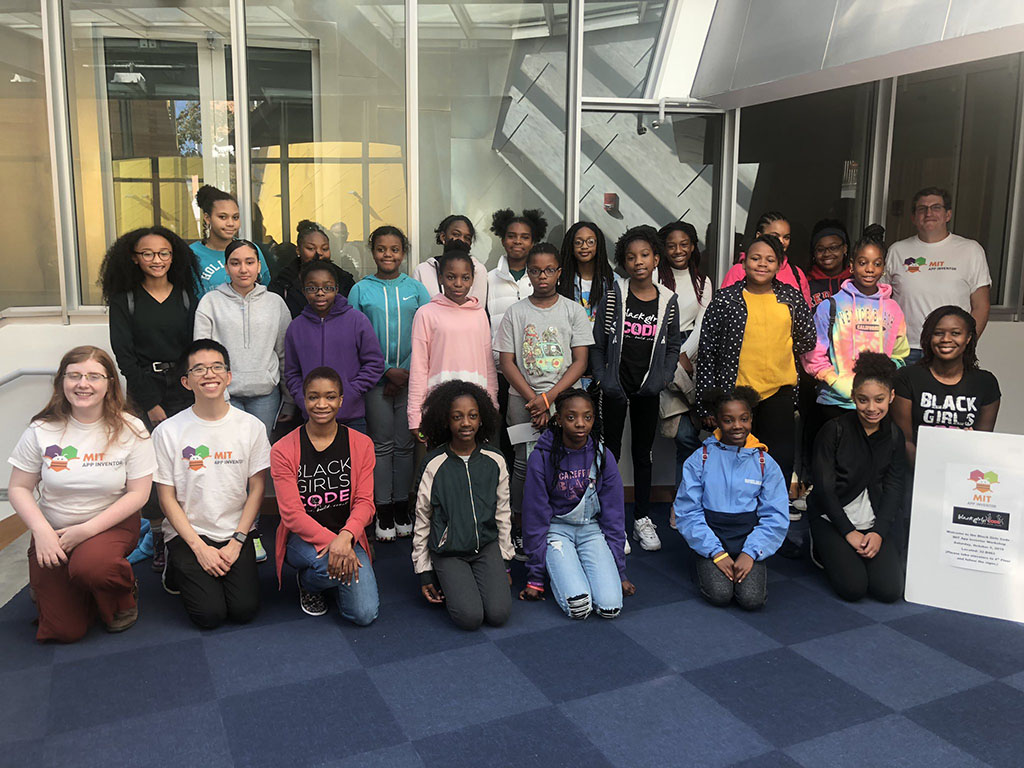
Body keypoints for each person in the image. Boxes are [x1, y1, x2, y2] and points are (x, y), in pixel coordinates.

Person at [8, 346, 155, 642]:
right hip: (54, 531)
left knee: (92, 567)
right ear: (62, 381)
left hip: (110, 524)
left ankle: (120, 591)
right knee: (65, 631)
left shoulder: (131, 428)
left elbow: (139, 494)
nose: (83, 384)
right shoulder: (42, 429)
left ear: (110, 383)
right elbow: (19, 487)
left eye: (93, 376)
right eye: (74, 375)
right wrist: (42, 532)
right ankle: (70, 586)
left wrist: (85, 531)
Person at [101, 225, 199, 575]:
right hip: (144, 389)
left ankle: (186, 532)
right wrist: (152, 403)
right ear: (134, 257)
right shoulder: (125, 298)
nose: (157, 260)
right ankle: (158, 536)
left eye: (164, 254)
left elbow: (194, 347)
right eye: (148, 254)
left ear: (174, 257)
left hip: (185, 387)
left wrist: (191, 389)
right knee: (151, 467)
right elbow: (124, 358)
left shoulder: (187, 295)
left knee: (188, 461)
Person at [153, 339, 270, 629]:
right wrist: (198, 547)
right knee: (210, 616)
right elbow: (165, 497)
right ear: (186, 381)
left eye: (217, 367)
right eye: (199, 369)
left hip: (235, 532)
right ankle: (174, 565)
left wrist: (238, 541)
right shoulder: (168, 431)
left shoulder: (251, 426)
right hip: (188, 533)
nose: (209, 374)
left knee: (244, 610)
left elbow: (256, 489)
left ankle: (215, 563)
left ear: (228, 377)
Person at [696, 233, 816, 507]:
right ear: (744, 262)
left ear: (779, 265)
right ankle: (734, 528)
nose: (762, 264)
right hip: (735, 398)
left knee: (779, 464)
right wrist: (707, 407)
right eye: (755, 258)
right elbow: (707, 352)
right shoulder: (726, 299)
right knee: (733, 466)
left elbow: (807, 338)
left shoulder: (791, 298)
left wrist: (777, 349)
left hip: (778, 395)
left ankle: (771, 531)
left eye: (769, 260)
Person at [495, 243, 592, 558]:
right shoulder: (516, 312)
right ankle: (521, 527)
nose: (542, 276)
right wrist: (534, 400)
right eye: (535, 271)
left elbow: (580, 361)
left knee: (562, 462)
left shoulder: (573, 310)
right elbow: (507, 362)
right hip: (521, 400)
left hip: (564, 402)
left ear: (559, 272)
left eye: (549, 270)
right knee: (524, 464)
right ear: (529, 274)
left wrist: (549, 399)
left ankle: (560, 523)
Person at [592, 225, 681, 552]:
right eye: (631, 257)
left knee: (642, 455)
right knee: (610, 454)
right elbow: (598, 343)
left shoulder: (668, 300)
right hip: (615, 387)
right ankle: (611, 520)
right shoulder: (614, 294)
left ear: (656, 258)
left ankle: (642, 517)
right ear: (624, 262)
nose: (638, 261)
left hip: (648, 389)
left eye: (645, 255)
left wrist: (663, 378)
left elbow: (673, 345)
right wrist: (604, 379)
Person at [270, 367, 379, 624]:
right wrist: (336, 544)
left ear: (341, 401)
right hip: (303, 539)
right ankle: (309, 582)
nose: (321, 404)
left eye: (330, 397)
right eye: (313, 397)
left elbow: (365, 503)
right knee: (326, 565)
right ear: (303, 400)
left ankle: (329, 578)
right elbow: (292, 515)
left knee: (363, 614)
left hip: (347, 535)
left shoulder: (362, 444)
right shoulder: (283, 449)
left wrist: (345, 536)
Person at [519, 389, 635, 619]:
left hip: (590, 530)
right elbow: (535, 516)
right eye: (571, 417)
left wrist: (619, 572)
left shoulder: (602, 456)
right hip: (557, 531)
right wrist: (535, 577)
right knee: (579, 607)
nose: (580, 424)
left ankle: (586, 566)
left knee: (610, 607)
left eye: (587, 417)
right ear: (559, 420)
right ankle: (563, 565)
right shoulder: (541, 457)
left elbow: (614, 516)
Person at [348, 226, 431, 540]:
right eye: (381, 249)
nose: (388, 255)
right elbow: (354, 336)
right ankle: (382, 510)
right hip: (375, 380)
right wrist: (385, 371)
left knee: (406, 445)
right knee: (381, 447)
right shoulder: (360, 290)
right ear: (373, 252)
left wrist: (405, 372)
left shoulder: (416, 289)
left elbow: (426, 335)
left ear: (403, 252)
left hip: (411, 380)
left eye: (394, 249)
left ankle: (401, 507)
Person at [674, 386, 789, 610]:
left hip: (749, 540)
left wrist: (750, 553)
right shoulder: (701, 459)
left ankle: (741, 559)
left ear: (751, 419)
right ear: (717, 421)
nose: (737, 426)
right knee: (720, 595)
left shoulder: (766, 463)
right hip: (711, 537)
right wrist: (715, 552)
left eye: (743, 419)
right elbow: (687, 512)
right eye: (728, 420)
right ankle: (699, 558)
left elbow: (775, 515)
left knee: (752, 600)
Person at [411, 380, 514, 630]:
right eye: (457, 417)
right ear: (446, 421)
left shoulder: (495, 460)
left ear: (482, 420)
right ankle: (446, 575)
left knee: (499, 615)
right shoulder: (434, 464)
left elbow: (503, 513)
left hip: (486, 546)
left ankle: (476, 579)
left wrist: (505, 560)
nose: (465, 423)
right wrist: (423, 570)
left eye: (472, 416)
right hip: (449, 551)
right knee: (470, 618)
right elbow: (423, 520)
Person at [808, 353, 906, 603]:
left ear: (891, 397)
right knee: (854, 588)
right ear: (853, 397)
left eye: (879, 400)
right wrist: (849, 532)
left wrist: (879, 532)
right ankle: (818, 544)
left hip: (871, 520)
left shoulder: (894, 435)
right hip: (831, 517)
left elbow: (894, 486)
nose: (871, 408)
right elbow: (824, 488)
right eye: (863, 400)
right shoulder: (835, 430)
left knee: (889, 591)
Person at [803, 225, 910, 420]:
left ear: (883, 267)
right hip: (835, 402)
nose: (870, 269)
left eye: (876, 264)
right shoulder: (831, 305)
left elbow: (899, 354)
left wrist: (882, 380)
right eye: (863, 263)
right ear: (852, 265)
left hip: (875, 404)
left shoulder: (893, 309)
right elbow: (813, 354)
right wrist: (836, 381)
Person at [194, 238, 290, 438]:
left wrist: (289, 400)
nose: (243, 269)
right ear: (226, 268)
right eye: (235, 263)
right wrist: (221, 395)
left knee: (262, 454)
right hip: (224, 394)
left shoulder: (275, 303)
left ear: (259, 266)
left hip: (265, 395)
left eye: (249, 262)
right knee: (229, 455)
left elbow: (284, 353)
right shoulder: (210, 302)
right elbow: (202, 355)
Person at [886, 186, 992, 364]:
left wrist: (966, 344)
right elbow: (882, 300)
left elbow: (981, 306)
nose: (929, 213)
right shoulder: (897, 250)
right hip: (904, 349)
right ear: (913, 217)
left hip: (949, 348)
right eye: (922, 209)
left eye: (936, 207)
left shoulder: (970, 250)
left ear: (947, 215)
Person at [407, 241, 498, 440]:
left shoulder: (479, 314)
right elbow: (419, 367)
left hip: (476, 406)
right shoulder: (426, 313)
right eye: (451, 277)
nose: (458, 283)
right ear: (440, 278)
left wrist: (492, 405)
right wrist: (415, 415)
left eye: (465, 278)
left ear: (473, 279)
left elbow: (488, 364)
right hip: (440, 405)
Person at [891, 306, 1000, 468]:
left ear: (968, 338)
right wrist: (930, 472)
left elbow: (981, 442)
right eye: (938, 333)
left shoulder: (985, 383)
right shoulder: (907, 378)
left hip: (962, 470)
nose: (946, 339)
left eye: (955, 333)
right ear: (929, 337)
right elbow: (904, 441)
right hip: (915, 470)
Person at [283, 260, 385, 433]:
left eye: (327, 287)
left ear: (337, 289)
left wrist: (351, 391)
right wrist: (303, 398)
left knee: (353, 460)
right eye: (312, 288)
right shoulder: (296, 327)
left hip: (352, 417)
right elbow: (292, 372)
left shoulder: (356, 320)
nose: (320, 293)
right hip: (312, 417)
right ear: (303, 291)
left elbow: (374, 363)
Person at [656, 221, 712, 494]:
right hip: (662, 351)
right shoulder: (655, 278)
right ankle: (687, 502)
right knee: (686, 435)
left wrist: (684, 353)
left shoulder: (703, 281)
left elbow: (702, 325)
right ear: (663, 249)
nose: (678, 250)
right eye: (671, 245)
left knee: (692, 436)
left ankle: (685, 505)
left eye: (684, 244)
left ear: (692, 247)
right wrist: (675, 355)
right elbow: (654, 322)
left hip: (694, 353)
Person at [190, 185, 271, 295]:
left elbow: (264, 287)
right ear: (207, 218)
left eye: (235, 217)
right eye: (222, 217)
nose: (230, 223)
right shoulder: (192, 253)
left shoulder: (250, 249)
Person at [721, 212, 813, 306]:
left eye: (786, 237)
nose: (781, 241)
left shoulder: (796, 274)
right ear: (759, 235)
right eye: (775, 236)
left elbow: (805, 314)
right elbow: (724, 309)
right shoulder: (739, 271)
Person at [270, 220, 356, 318]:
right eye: (311, 248)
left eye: (325, 248)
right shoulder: (283, 283)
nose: (319, 253)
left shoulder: (344, 280)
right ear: (298, 250)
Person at [487, 208, 548, 337]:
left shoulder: (542, 278)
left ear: (533, 242)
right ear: (503, 240)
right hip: (500, 355)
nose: (517, 241)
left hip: (535, 354)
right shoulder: (489, 279)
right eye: (511, 236)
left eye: (525, 237)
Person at [412, 215, 488, 304]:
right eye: (456, 234)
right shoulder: (423, 270)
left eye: (467, 238)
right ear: (443, 236)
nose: (461, 240)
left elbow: (478, 308)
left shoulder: (478, 269)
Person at [557, 221, 616, 323]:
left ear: (598, 245)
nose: (584, 246)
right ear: (571, 246)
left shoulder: (613, 280)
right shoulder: (561, 279)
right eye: (578, 242)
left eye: (590, 241)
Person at [807, 219, 851, 308]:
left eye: (833, 248)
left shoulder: (856, 281)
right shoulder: (805, 283)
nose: (827, 254)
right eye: (820, 249)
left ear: (845, 248)